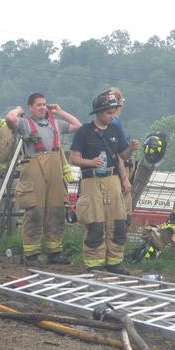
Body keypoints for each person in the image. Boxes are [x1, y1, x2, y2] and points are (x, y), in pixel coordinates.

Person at [6, 93, 82, 264]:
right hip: (34, 167)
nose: (42, 108)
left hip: (55, 168)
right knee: (35, 210)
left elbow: (78, 125)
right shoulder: (25, 124)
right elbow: (10, 118)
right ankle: (30, 253)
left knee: (56, 209)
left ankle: (54, 251)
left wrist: (59, 112)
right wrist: (18, 110)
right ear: (30, 107)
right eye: (39, 105)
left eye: (44, 104)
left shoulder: (56, 123)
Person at [70, 90, 131, 273]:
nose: (112, 116)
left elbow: (121, 156)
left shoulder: (115, 129)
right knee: (94, 222)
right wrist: (90, 162)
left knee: (118, 221)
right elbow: (74, 158)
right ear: (99, 112)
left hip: (113, 179)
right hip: (92, 181)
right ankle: (95, 264)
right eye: (109, 113)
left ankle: (114, 262)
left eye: (114, 112)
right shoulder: (84, 132)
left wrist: (125, 178)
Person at [107, 88, 140, 226]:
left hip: (118, 173)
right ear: (121, 102)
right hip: (119, 174)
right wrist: (125, 179)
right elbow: (117, 155)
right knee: (120, 218)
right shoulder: (114, 123)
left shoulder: (112, 122)